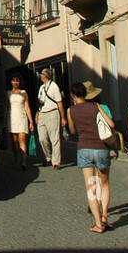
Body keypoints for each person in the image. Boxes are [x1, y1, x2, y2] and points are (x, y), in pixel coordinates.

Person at [68, 81, 116, 232]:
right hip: (101, 148)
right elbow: (111, 124)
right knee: (105, 183)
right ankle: (105, 215)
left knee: (91, 186)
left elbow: (72, 130)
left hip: (84, 148)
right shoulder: (96, 107)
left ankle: (97, 224)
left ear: (73, 95)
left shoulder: (71, 110)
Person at [35, 66, 67, 169]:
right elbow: (39, 103)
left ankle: (56, 161)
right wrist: (37, 114)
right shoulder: (41, 87)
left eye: (42, 74)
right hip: (42, 113)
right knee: (42, 138)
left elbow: (60, 103)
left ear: (46, 76)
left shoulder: (54, 87)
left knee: (55, 138)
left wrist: (63, 117)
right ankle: (48, 156)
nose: (41, 76)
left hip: (53, 113)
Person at [7, 75, 34, 169]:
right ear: (11, 82)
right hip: (12, 118)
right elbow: (6, 107)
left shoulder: (24, 93)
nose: (15, 82)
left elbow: (27, 107)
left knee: (22, 139)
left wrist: (31, 121)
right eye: (13, 80)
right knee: (15, 142)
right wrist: (3, 122)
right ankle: (17, 158)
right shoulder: (8, 93)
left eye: (17, 80)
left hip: (22, 117)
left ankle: (23, 162)